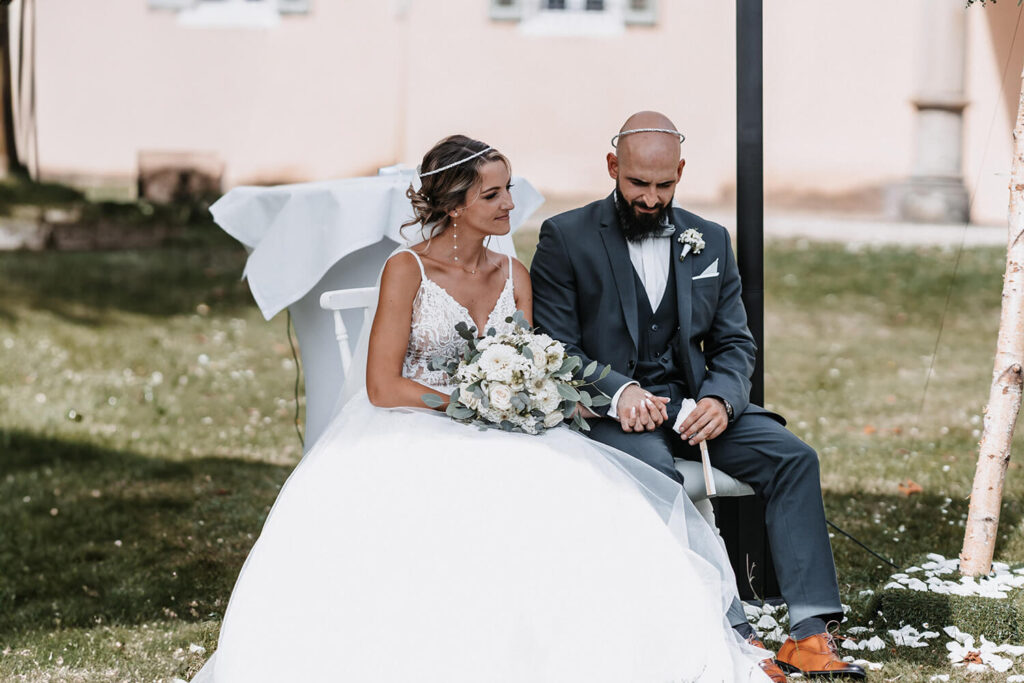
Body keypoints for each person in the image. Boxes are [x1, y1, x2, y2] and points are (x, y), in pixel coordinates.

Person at [191, 134, 771, 682]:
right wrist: (471, 405)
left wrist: (529, 400)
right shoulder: (407, 270)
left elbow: (541, 361)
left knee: (581, 493)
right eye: (492, 194)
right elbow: (383, 387)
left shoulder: (514, 274)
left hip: (509, 424)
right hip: (415, 423)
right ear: (453, 205)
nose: (509, 205)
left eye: (509, 189)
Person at [529, 111, 865, 681]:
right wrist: (619, 390)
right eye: (638, 183)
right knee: (657, 475)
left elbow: (734, 342)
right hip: (612, 414)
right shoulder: (567, 237)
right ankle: (733, 632)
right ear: (614, 167)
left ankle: (810, 634)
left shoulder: (709, 239)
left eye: (665, 185)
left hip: (695, 404)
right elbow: (553, 346)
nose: (651, 198)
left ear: (681, 172)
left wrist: (723, 400)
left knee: (792, 458)